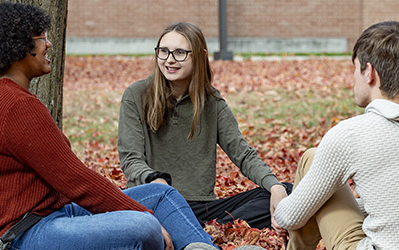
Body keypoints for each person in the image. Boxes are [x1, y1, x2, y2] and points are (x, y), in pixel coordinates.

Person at [0, 3, 216, 249]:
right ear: (19, 48)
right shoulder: (16, 106)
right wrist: (143, 215)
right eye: (41, 37)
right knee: (143, 226)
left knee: (161, 195)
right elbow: (76, 181)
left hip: (45, 213)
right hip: (17, 236)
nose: (48, 43)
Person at [274, 21, 399, 250]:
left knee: (312, 158)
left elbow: (290, 218)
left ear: (370, 73)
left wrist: (278, 198)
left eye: (355, 68)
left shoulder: (350, 135)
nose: (353, 78)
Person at [118, 22, 291, 230]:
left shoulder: (212, 103)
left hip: (201, 208)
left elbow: (243, 155)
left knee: (286, 192)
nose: (169, 60)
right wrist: (156, 181)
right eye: (163, 51)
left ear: (199, 56)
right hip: (154, 200)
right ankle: (198, 231)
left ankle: (208, 230)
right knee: (145, 219)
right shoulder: (136, 95)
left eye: (180, 52)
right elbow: (131, 159)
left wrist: (275, 186)